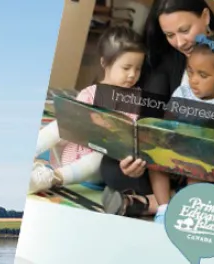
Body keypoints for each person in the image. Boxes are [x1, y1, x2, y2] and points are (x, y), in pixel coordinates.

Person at [102, 0, 214, 238]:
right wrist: (137, 153)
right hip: (169, 154)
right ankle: (200, 209)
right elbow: (151, 120)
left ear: (205, 16)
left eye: (185, 30)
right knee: (112, 165)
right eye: (170, 34)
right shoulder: (166, 56)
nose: (180, 42)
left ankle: (149, 203)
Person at [29, 26, 146, 194]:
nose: (132, 75)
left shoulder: (135, 99)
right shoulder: (90, 93)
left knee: (98, 158)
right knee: (60, 123)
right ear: (104, 63)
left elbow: (127, 134)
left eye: (138, 69)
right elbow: (74, 126)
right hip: (73, 152)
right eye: (126, 68)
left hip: (97, 165)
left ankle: (51, 178)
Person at [150, 31, 214, 226]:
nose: (193, 80)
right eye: (190, 72)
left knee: (199, 171)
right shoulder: (181, 92)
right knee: (154, 163)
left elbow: (213, 135)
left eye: (203, 75)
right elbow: (168, 123)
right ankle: (164, 209)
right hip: (174, 151)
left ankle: (184, 208)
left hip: (200, 157)